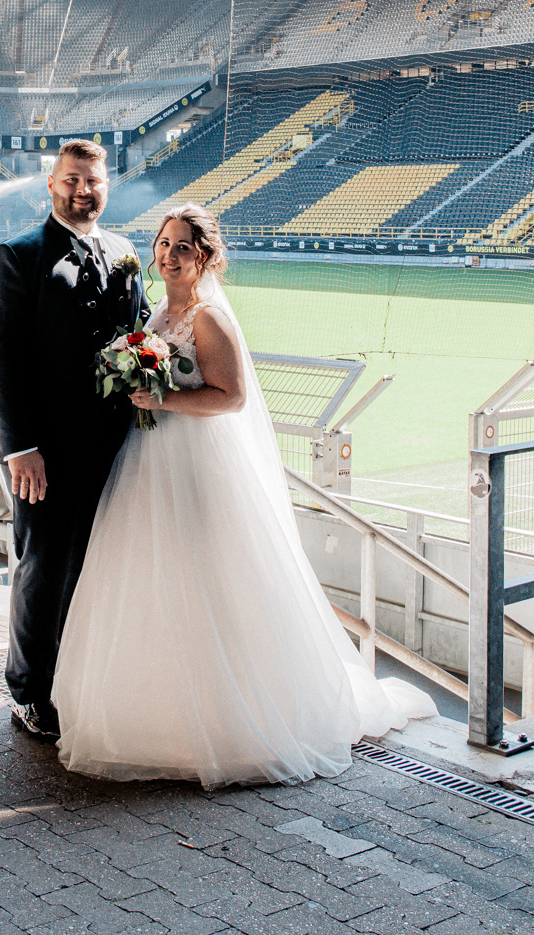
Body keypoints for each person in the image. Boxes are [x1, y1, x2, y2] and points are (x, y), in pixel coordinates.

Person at [52, 202, 436, 788]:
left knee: (207, 580)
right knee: (151, 577)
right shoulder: (156, 312)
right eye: (164, 243)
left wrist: (164, 401)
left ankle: (229, 720)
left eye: (184, 246)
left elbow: (229, 399)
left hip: (198, 465)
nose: (169, 255)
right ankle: (155, 713)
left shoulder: (209, 319)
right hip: (149, 463)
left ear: (205, 257)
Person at [0, 141, 148, 742]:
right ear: (50, 185)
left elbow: (140, 331)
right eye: (72, 180)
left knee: (96, 563)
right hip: (42, 452)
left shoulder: (126, 252)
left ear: (108, 187)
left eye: (94, 181)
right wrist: (20, 445)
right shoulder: (17, 257)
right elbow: (1, 358)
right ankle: (29, 693)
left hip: (113, 444)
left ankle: (76, 675)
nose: (84, 191)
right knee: (45, 567)